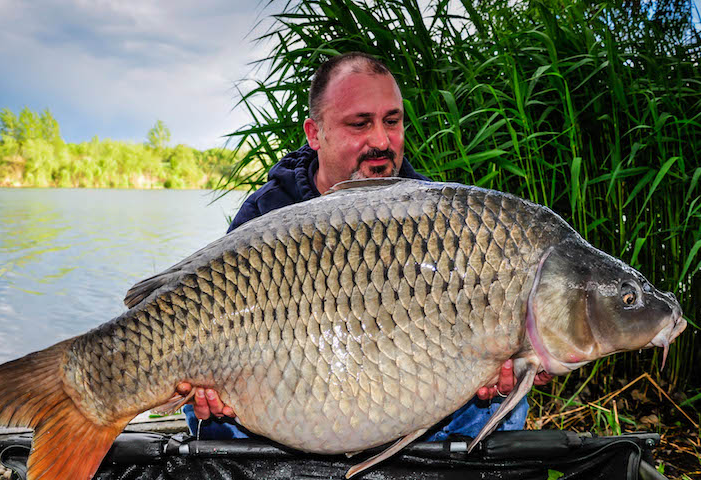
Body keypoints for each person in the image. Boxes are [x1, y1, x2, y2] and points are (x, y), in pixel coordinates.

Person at [179, 52, 548, 441]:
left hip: (399, 395)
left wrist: (489, 371)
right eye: (360, 124)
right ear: (315, 133)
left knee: (504, 406)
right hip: (294, 396)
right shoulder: (266, 212)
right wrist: (212, 390)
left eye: (392, 121)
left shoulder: (436, 216)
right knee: (206, 418)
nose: (381, 141)